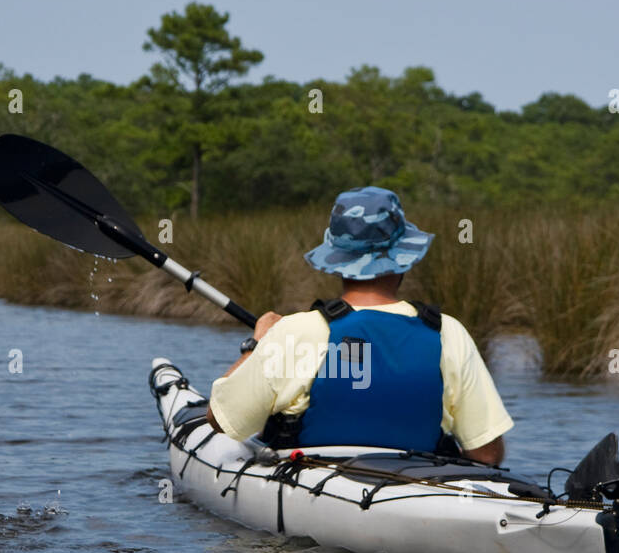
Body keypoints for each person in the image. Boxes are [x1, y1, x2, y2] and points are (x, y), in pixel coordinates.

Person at [207, 186, 513, 464]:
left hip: (313, 488)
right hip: (417, 485)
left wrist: (256, 344)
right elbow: (486, 454)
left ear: (336, 259)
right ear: (403, 258)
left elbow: (222, 421)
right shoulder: (448, 332)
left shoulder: (295, 332)